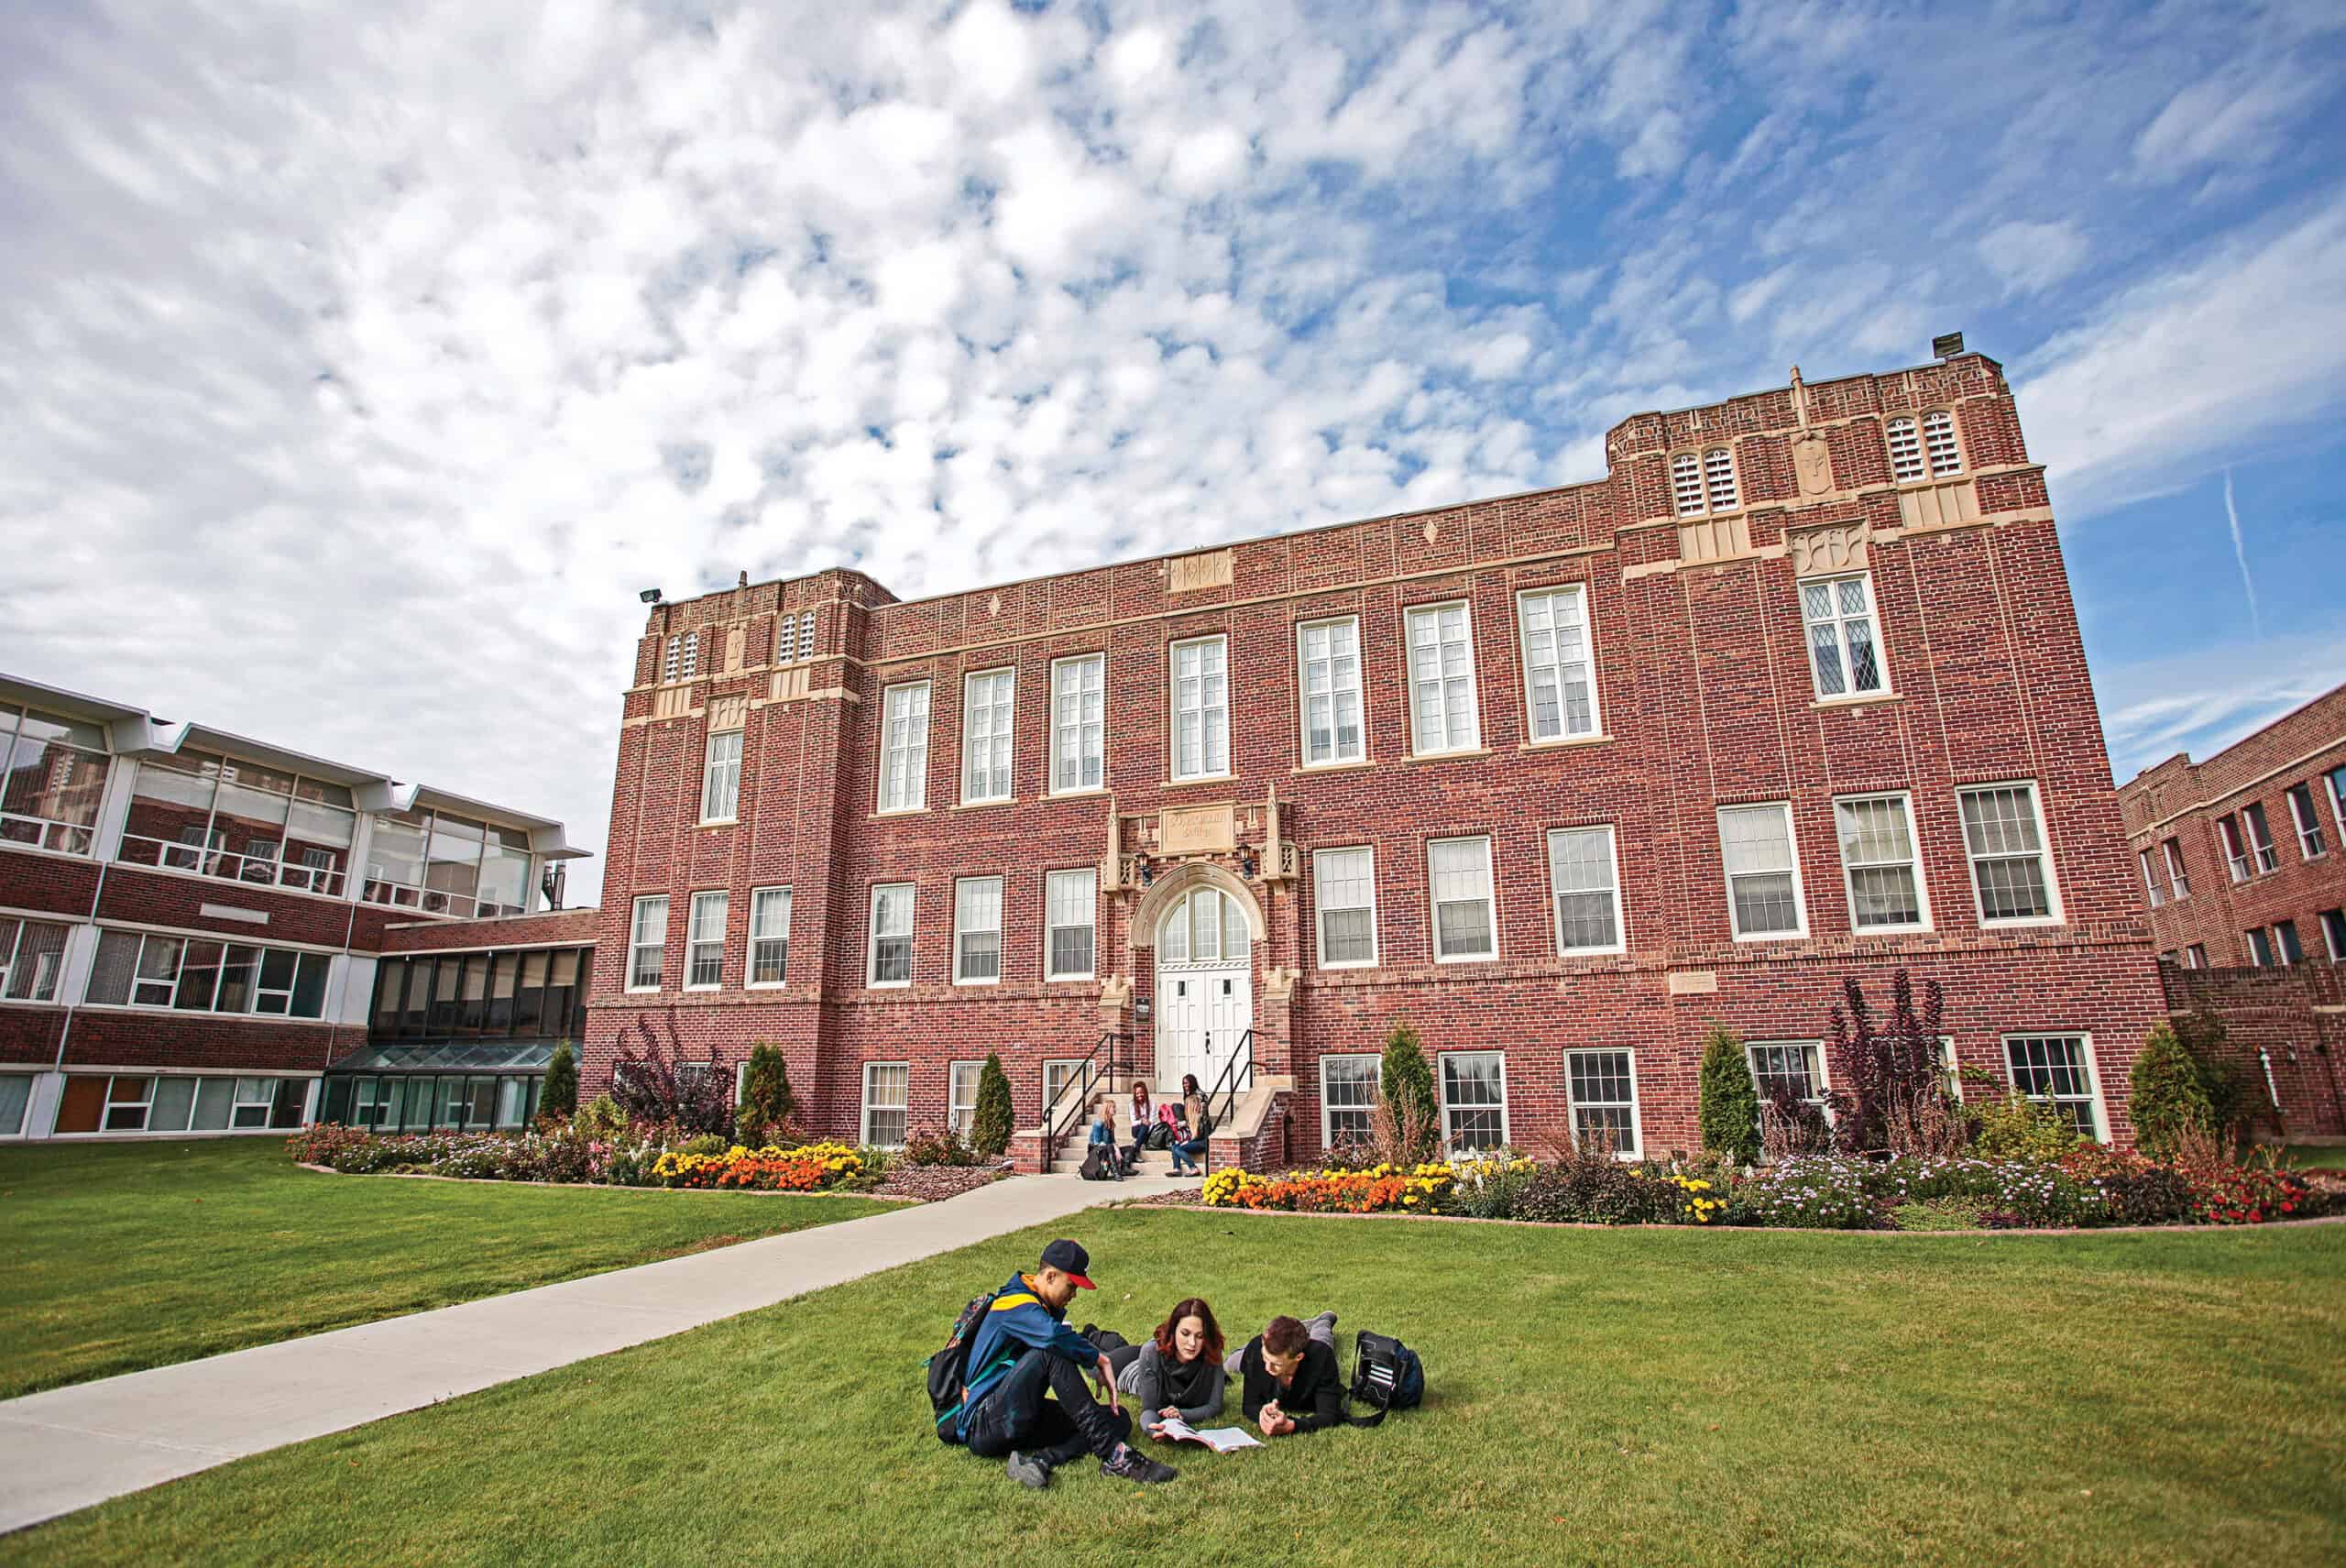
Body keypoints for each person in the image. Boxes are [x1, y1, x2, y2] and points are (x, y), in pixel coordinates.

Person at [955, 1239, 1178, 1488]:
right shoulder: (1014, 1304)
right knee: (1051, 1352)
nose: (1074, 1295)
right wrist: (1098, 1358)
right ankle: (1115, 1456)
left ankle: (1041, 1460)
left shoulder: (1036, 1307)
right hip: (984, 1424)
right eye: (1071, 1286)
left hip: (1019, 1416)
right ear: (1050, 1276)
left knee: (1118, 1419)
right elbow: (1052, 1338)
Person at [1116, 1297, 1226, 1439]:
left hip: (1156, 1355)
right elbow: (1149, 1409)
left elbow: (1214, 1406)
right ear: (1173, 1331)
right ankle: (1091, 1334)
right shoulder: (1151, 1353)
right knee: (1098, 1362)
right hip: (1129, 1371)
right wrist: (1151, 1428)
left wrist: (1180, 1414)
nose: (1192, 1343)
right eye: (1185, 1334)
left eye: (1199, 1336)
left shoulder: (1212, 1350)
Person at [1235, 1312, 1344, 1437]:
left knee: (1322, 1336)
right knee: (1230, 1364)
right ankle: (1295, 1329)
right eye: (1265, 1358)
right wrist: (1262, 1415)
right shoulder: (1255, 1350)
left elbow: (1330, 1414)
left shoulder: (1322, 1356)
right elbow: (1249, 1405)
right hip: (1257, 1348)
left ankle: (1323, 1320)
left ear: (1299, 1357)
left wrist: (1293, 1425)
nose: (1267, 1368)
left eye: (1277, 1364)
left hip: (1316, 1345)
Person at [1086, 1098, 1123, 1180]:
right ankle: (1116, 1173)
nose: (1115, 1109)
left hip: (1108, 1149)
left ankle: (1123, 1170)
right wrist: (1113, 1147)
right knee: (1110, 1147)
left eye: (1115, 1107)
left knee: (1129, 1149)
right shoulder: (1098, 1123)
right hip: (1096, 1150)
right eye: (1113, 1107)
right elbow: (1097, 1143)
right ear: (1107, 1109)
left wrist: (1117, 1150)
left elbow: (1113, 1141)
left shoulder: (1111, 1123)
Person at [1162, 1100, 1200, 1175]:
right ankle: (1177, 1169)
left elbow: (1198, 1136)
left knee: (1179, 1148)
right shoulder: (1189, 1119)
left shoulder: (1200, 1118)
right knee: (1174, 1146)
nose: (1185, 1109)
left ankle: (1193, 1168)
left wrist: (1187, 1142)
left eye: (1187, 1106)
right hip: (1193, 1141)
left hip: (1200, 1142)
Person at [1126, 1082, 1154, 1170]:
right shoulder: (1132, 1104)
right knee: (1144, 1124)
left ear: (1145, 1092)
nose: (1140, 1095)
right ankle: (1137, 1149)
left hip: (1148, 1131)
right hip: (1136, 1130)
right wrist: (1142, 1121)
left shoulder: (1152, 1104)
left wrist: (1146, 1124)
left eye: (1141, 1092)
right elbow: (1133, 1123)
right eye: (1137, 1093)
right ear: (1135, 1094)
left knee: (1146, 1126)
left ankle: (1135, 1149)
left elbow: (1152, 1122)